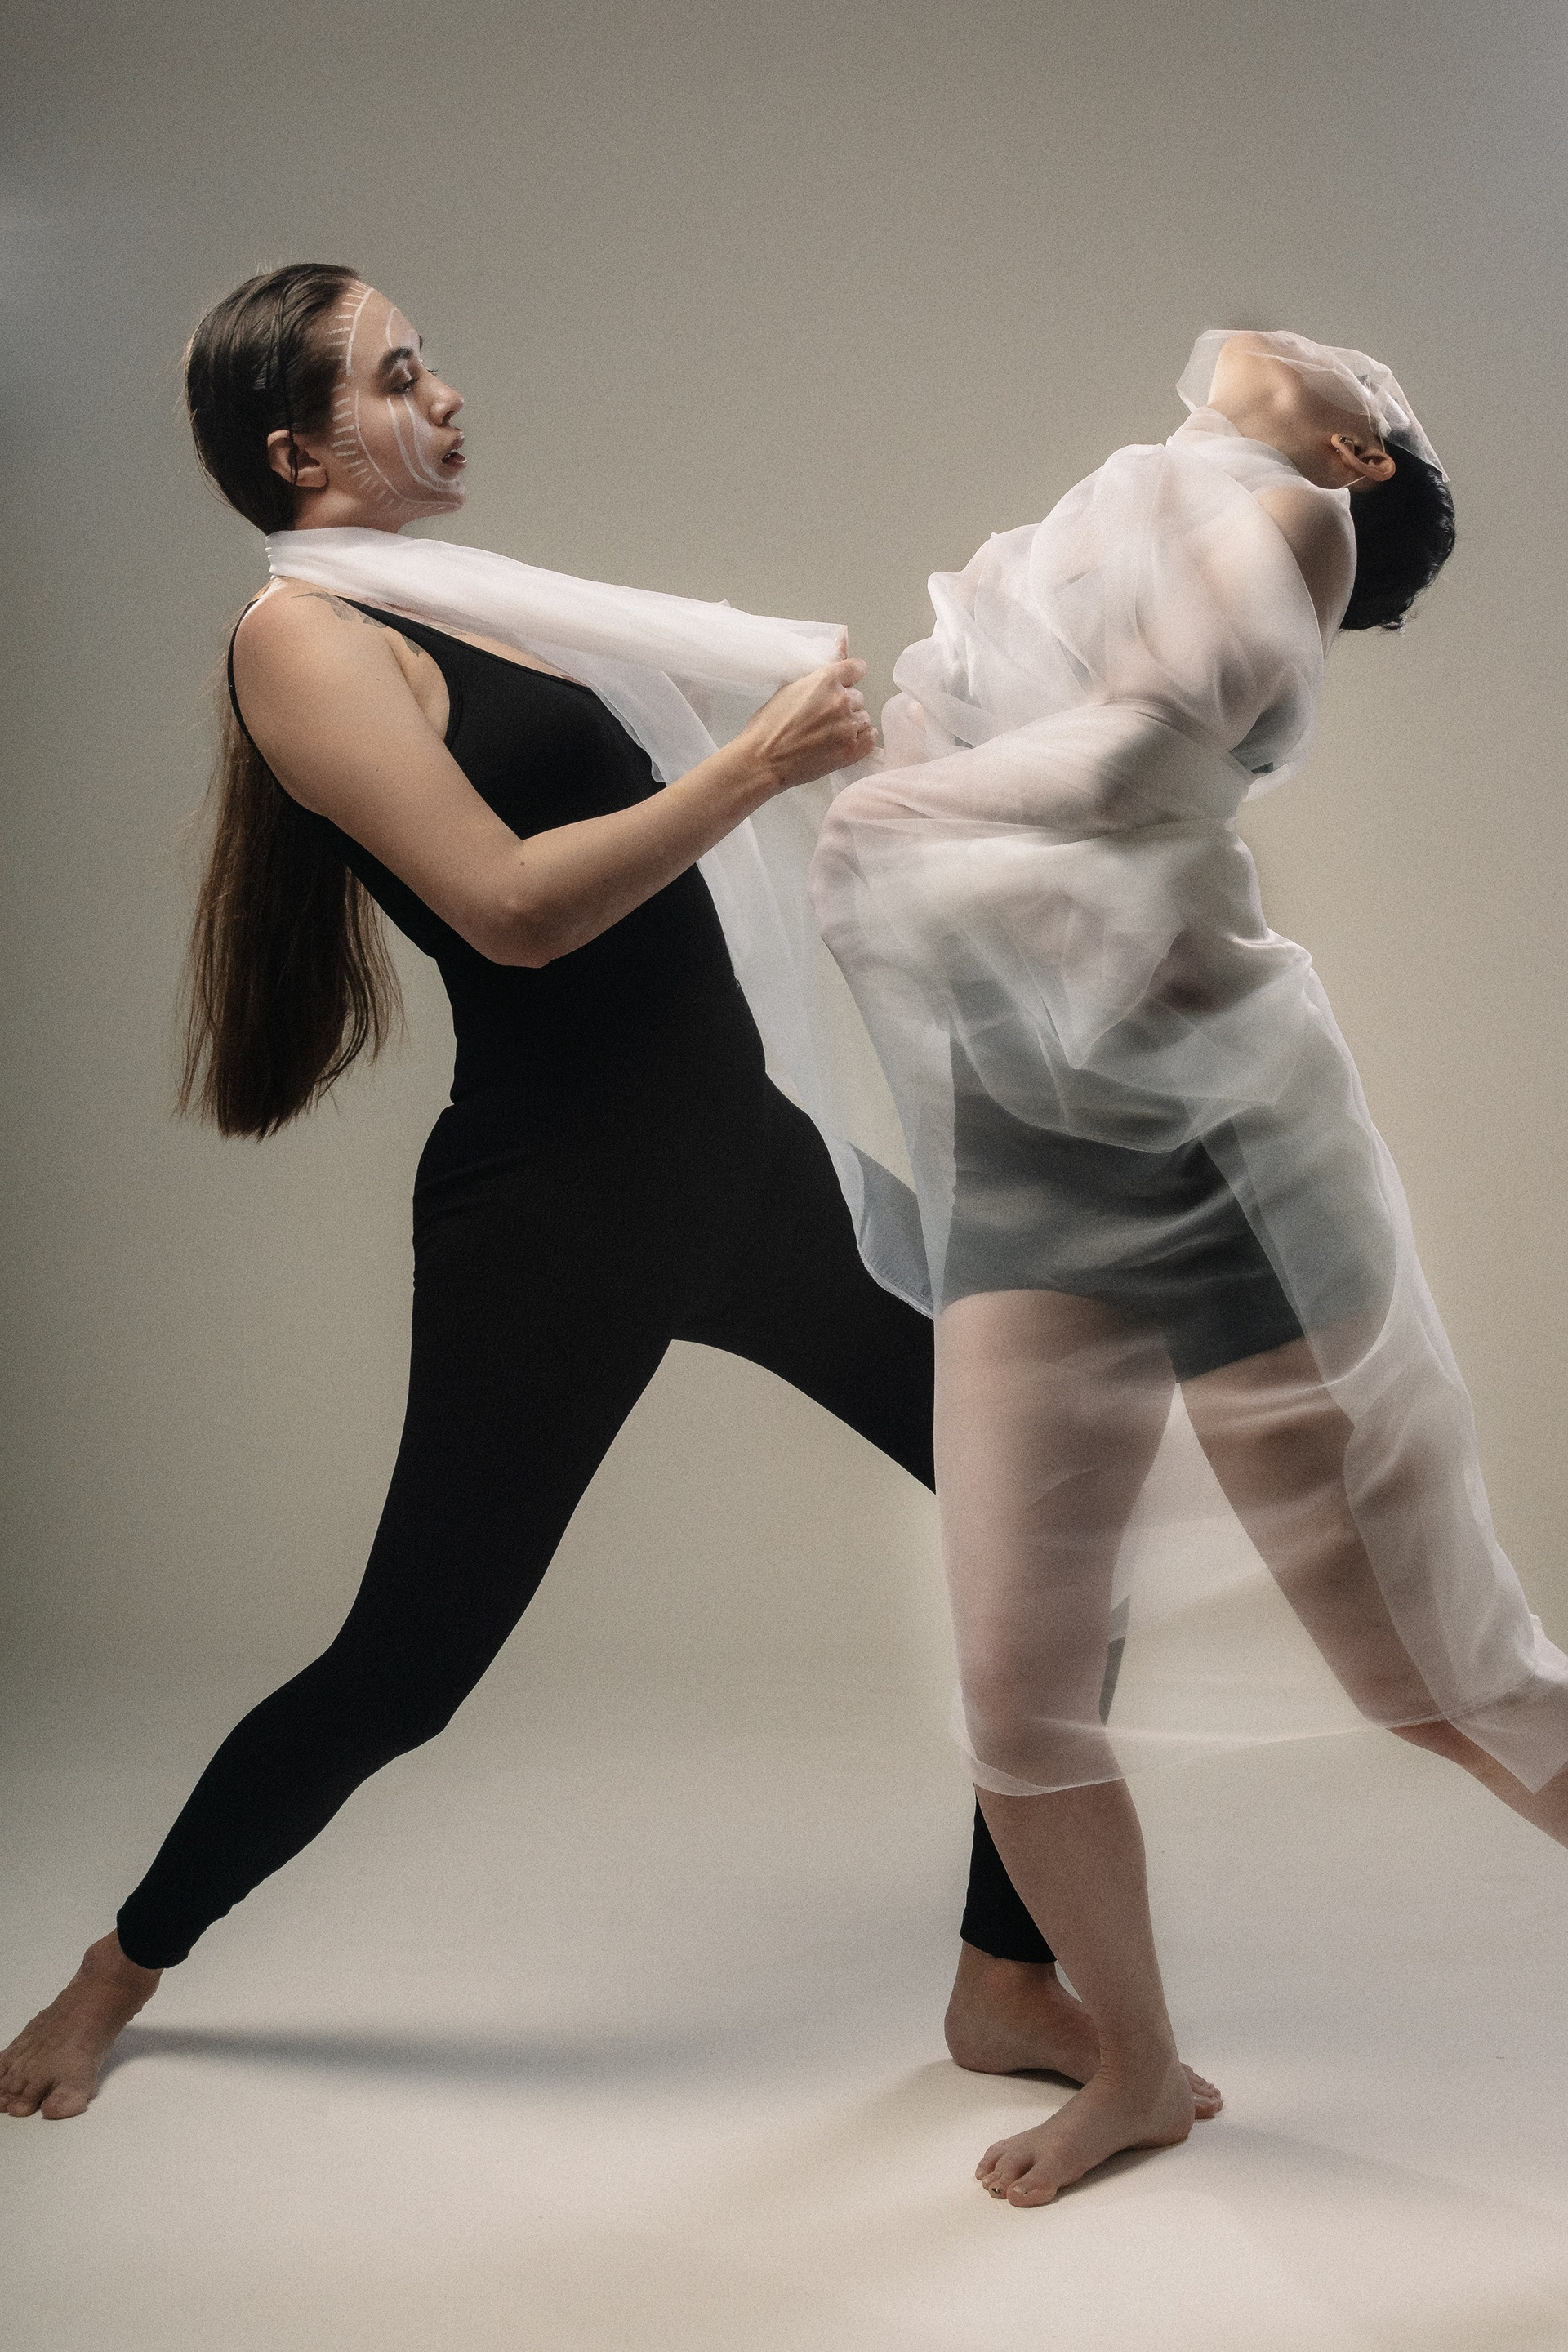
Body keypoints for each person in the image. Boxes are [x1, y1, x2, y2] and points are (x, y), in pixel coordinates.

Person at [0, 264, 1216, 2124]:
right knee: (407, 1668)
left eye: (430, 363)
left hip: (744, 1161)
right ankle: (119, 1968)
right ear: (297, 452)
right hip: (560, 1211)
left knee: (1062, 1515)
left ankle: (1004, 1977)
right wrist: (752, 765)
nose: (445, 397)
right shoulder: (299, 642)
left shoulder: (471, 604)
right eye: (397, 379)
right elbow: (510, 906)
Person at [808, 329, 1568, 2204]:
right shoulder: (1124, 523)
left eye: (1357, 381)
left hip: (1218, 1150)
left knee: (1437, 1681)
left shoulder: (1299, 516)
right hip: (1032, 1150)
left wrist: (889, 803)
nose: (1306, 348)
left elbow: (1143, 751)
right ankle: (1135, 2065)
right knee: (1017, 1692)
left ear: (1363, 456)